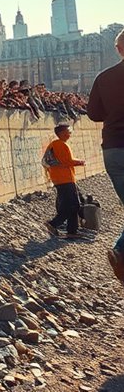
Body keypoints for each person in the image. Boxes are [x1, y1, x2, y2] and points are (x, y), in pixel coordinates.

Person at [89, 30, 124, 285]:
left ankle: (121, 253)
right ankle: (121, 251)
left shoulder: (103, 78)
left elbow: (93, 114)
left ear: (118, 49)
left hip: (112, 149)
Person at [43, 124, 86, 239]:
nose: (69, 133)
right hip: (64, 179)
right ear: (61, 133)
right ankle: (53, 224)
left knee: (73, 205)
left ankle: (72, 231)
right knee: (72, 205)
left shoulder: (56, 144)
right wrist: (80, 162)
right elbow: (67, 161)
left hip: (62, 179)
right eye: (68, 131)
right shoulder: (59, 144)